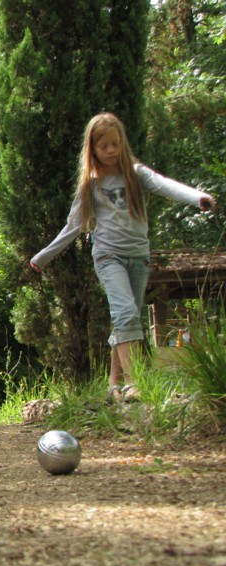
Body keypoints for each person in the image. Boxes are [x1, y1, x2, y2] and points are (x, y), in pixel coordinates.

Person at [30, 112, 217, 400]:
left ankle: (113, 385)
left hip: (138, 256)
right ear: (92, 148)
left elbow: (165, 184)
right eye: (103, 146)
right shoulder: (90, 185)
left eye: (115, 144)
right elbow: (74, 225)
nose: (110, 150)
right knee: (126, 314)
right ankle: (133, 383)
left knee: (126, 320)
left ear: (122, 143)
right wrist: (43, 256)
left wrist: (196, 198)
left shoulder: (136, 174)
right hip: (108, 256)